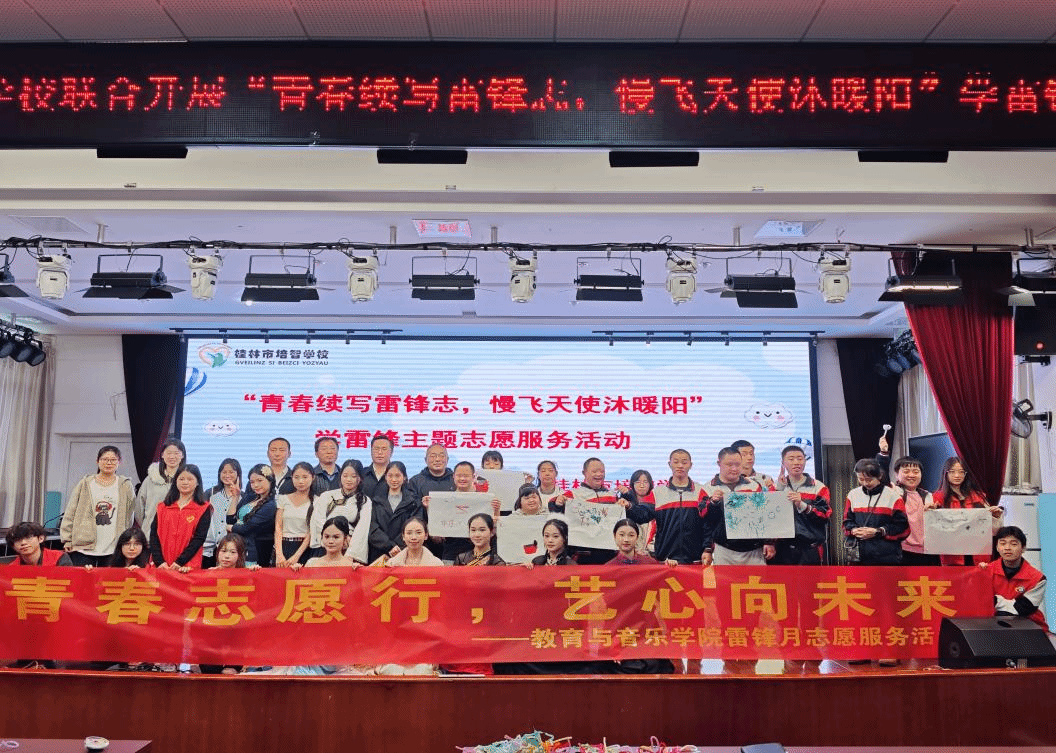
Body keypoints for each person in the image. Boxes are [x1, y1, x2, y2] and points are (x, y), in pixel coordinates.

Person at [623, 450, 707, 564]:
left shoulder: (701, 491)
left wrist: (708, 549)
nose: (680, 466)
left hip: (696, 560)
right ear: (669, 464)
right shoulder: (658, 493)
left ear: (690, 465)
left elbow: (708, 524)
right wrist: (629, 506)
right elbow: (642, 515)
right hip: (666, 560)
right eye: (676, 462)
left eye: (684, 462)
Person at [60, 445, 137, 567]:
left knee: (109, 579)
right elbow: (70, 511)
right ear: (97, 461)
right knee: (81, 578)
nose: (109, 463)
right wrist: (67, 539)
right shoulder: (85, 483)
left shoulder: (125, 485)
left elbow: (130, 515)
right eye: (105, 459)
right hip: (83, 546)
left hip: (113, 547)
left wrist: (124, 538)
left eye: (113, 460)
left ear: (119, 462)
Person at [700, 447, 771, 565]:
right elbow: (705, 520)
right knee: (723, 578)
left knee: (757, 578)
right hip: (724, 550)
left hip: (754, 549)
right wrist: (713, 503)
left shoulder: (754, 486)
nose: (734, 469)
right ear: (719, 463)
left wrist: (769, 542)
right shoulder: (708, 488)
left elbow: (764, 515)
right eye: (729, 465)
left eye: (738, 465)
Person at [424, 460, 500, 563]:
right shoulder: (444, 500)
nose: (462, 479)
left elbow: (493, 529)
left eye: (466, 476)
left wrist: (496, 511)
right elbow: (436, 537)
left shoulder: (484, 500)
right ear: (453, 477)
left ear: (474, 477)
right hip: (451, 554)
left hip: (480, 556)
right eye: (459, 476)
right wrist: (430, 508)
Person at [934, 456, 1004, 566]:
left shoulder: (979, 497)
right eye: (952, 472)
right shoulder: (937, 498)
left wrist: (995, 516)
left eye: (961, 472)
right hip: (952, 555)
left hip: (978, 554)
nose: (957, 475)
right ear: (945, 473)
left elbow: (994, 530)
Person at [550, 457, 622, 564]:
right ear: (584, 473)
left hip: (608, 553)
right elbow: (553, 506)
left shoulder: (612, 495)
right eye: (594, 471)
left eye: (602, 471)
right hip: (581, 554)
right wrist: (558, 503)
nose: (599, 474)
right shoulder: (574, 494)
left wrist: (627, 503)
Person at [771, 445, 831, 566]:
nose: (796, 462)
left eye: (800, 458)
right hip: (783, 549)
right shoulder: (776, 487)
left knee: (811, 579)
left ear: (805, 461)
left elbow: (825, 516)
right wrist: (780, 490)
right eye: (791, 459)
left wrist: (803, 505)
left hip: (810, 549)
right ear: (783, 463)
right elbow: (770, 516)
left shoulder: (818, 487)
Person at [842, 458, 908, 566]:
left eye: (869, 479)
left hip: (886, 556)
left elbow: (903, 528)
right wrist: (853, 530)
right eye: (861, 479)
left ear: (879, 476)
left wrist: (878, 531)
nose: (865, 483)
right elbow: (846, 522)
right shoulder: (853, 495)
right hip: (858, 556)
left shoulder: (893, 496)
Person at [984, 526, 1048, 630]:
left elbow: (1023, 608)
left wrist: (997, 601)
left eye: (1013, 544)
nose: (1007, 548)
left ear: (1023, 548)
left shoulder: (1038, 579)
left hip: (1031, 627)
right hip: (994, 627)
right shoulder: (986, 571)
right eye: (1002, 543)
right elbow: (982, 603)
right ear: (997, 547)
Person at [308, 459, 371, 563]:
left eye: (353, 476)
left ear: (360, 478)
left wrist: (350, 552)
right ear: (340, 476)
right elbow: (318, 520)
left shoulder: (365, 501)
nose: (348, 480)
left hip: (348, 548)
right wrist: (330, 538)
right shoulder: (326, 496)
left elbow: (362, 530)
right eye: (345, 476)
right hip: (326, 547)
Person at [150, 464, 211, 571]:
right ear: (176, 481)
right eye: (181, 479)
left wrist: (180, 562)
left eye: (190, 479)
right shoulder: (163, 507)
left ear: (197, 482)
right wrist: (159, 561)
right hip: (161, 566)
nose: (185, 482)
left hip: (187, 566)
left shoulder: (203, 508)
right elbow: (154, 535)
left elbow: (199, 538)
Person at [368, 461, 423, 562]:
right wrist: (390, 546)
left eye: (398, 476)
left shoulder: (413, 501)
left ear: (404, 477)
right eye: (390, 476)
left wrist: (397, 547)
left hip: (405, 551)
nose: (394, 480)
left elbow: (415, 526)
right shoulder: (376, 500)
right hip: (379, 552)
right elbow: (372, 527)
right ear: (385, 477)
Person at [891, 456, 939, 566]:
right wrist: (883, 454)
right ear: (896, 474)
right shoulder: (893, 493)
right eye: (906, 471)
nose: (911, 475)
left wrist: (932, 511)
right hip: (901, 550)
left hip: (926, 551)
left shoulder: (927, 495)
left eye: (916, 472)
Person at [229, 463, 278, 567]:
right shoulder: (250, 497)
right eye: (252, 482)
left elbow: (247, 528)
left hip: (255, 551)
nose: (255, 485)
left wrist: (230, 527)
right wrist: (235, 497)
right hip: (238, 546)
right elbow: (230, 519)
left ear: (270, 480)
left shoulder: (270, 505)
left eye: (260, 480)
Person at [135, 437, 185, 535]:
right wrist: (147, 525)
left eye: (176, 453)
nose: (172, 457)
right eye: (169, 453)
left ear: (182, 455)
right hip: (151, 534)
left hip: (178, 534)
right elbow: (139, 508)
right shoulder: (151, 479)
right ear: (162, 455)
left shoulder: (188, 480)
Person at [274, 461, 315, 567]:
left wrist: (296, 556)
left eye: (305, 477)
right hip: (283, 546)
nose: (301, 481)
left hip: (304, 549)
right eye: (296, 477)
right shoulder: (283, 499)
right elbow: (278, 527)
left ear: (313, 477)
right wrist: (279, 554)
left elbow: (311, 532)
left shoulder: (317, 501)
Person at [203, 458, 241, 569]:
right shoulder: (210, 493)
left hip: (230, 549)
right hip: (208, 547)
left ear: (238, 474)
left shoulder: (243, 496)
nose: (227, 475)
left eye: (231, 472)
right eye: (224, 472)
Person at [616, 469, 656, 554]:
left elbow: (641, 514)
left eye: (645, 482)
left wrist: (629, 501)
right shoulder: (626, 499)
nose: (642, 485)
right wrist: (625, 495)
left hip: (649, 550)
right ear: (632, 484)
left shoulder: (655, 500)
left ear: (650, 484)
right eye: (638, 482)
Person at [6, 522, 72, 566]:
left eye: (28, 537)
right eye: (17, 540)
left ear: (41, 538)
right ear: (12, 545)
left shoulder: (59, 557)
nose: (23, 543)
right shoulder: (12, 568)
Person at [360, 433, 394, 500]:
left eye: (384, 449)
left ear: (391, 452)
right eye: (376, 449)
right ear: (371, 451)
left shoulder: (398, 475)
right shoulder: (361, 474)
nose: (380, 452)